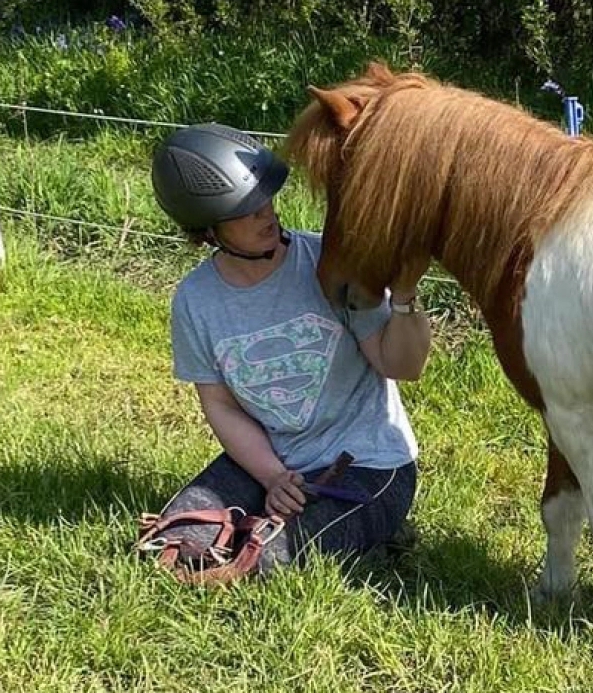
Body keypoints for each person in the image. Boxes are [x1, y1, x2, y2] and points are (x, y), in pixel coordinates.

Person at [140, 122, 432, 582]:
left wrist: (406, 294)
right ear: (207, 229)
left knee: (273, 559)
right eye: (246, 210)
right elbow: (219, 404)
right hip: (276, 459)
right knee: (181, 539)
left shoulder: (330, 266)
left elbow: (403, 366)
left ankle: (372, 530)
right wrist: (272, 477)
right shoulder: (195, 300)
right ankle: (321, 527)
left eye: (265, 199)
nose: (266, 214)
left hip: (371, 463)